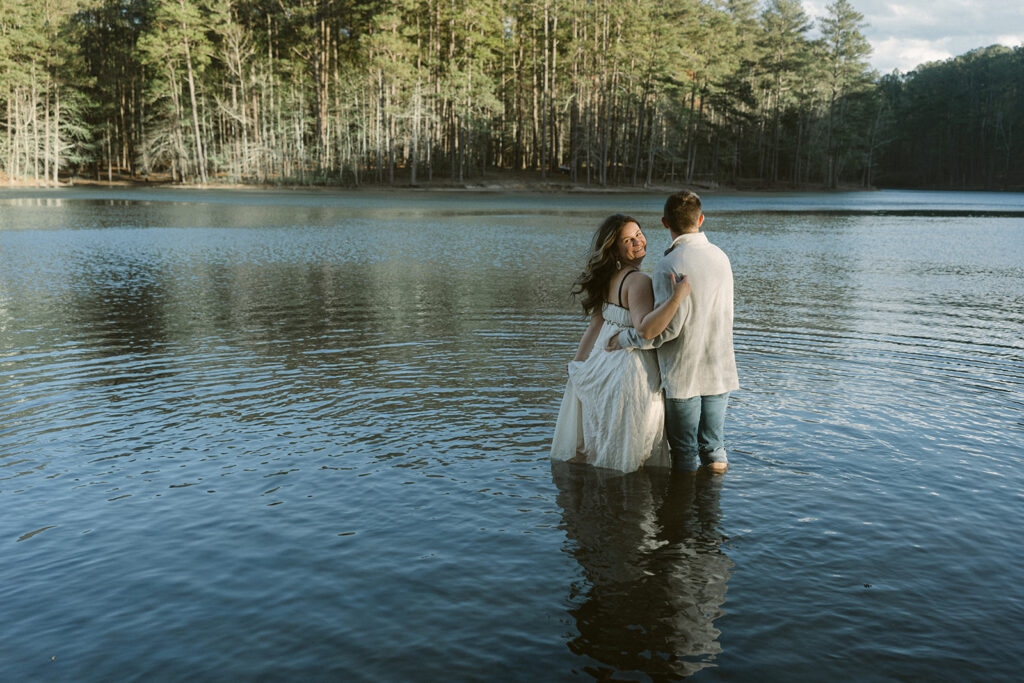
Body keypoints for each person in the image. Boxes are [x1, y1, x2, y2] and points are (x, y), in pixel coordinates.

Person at [608, 191, 739, 473]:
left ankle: (681, 515)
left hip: (684, 374)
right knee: (714, 449)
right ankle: (711, 513)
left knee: (683, 453)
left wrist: (624, 339)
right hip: (720, 370)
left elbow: (664, 331)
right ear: (701, 219)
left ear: (665, 222)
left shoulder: (669, 265)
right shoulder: (721, 257)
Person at [550, 214, 689, 472]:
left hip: (602, 368)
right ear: (614, 249)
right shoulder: (637, 280)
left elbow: (594, 327)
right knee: (630, 445)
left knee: (605, 441)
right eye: (628, 239)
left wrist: (578, 366)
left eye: (638, 233)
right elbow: (645, 329)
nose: (638, 241)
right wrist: (677, 298)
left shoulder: (607, 280)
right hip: (630, 373)